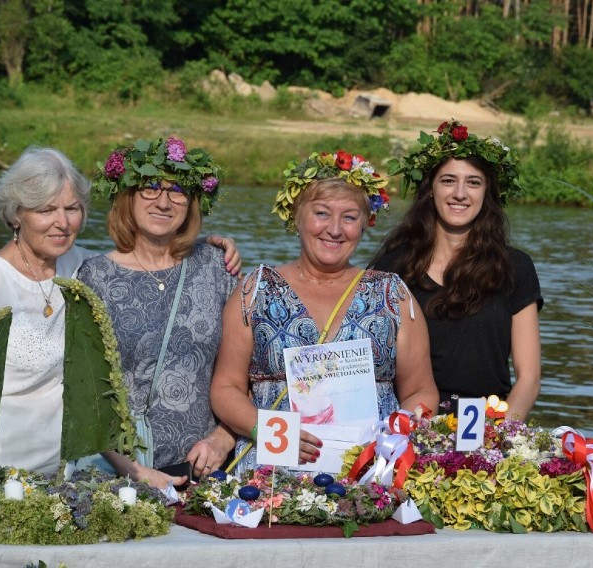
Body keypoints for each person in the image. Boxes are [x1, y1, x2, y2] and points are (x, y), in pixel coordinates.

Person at [0, 146, 240, 477]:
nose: (62, 223)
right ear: (15, 215)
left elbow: (138, 261)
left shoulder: (78, 265)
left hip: (61, 472)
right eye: (46, 210)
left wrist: (204, 247)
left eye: (72, 208)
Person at [210, 150, 439, 472]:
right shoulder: (255, 290)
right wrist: (266, 429)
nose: (334, 229)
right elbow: (225, 388)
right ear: (296, 216)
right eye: (321, 213)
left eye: (349, 217)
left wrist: (396, 434)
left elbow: (420, 390)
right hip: (272, 467)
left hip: (370, 469)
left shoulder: (393, 295)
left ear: (364, 224)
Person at [78, 136, 238, 489]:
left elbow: (246, 370)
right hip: (121, 472)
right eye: (150, 188)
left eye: (178, 191)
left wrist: (223, 439)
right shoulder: (95, 276)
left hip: (206, 470)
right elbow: (84, 390)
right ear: (128, 197)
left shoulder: (215, 265)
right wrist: (135, 471)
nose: (164, 202)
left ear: (192, 203)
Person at [372, 119, 542, 420]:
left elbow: (528, 379)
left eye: (473, 182)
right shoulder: (390, 268)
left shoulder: (516, 267)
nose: (460, 194)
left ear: (487, 192)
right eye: (448, 180)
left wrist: (501, 437)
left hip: (488, 425)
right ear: (430, 189)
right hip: (406, 426)